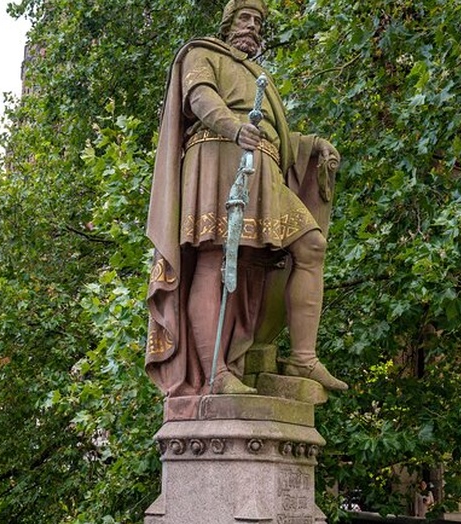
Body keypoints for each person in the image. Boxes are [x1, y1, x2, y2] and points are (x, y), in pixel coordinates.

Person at [145, 0, 347, 396]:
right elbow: (201, 99)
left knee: (311, 246)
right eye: (245, 18)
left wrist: (312, 145)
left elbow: (275, 136)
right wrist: (234, 128)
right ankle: (216, 373)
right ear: (227, 23)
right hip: (218, 156)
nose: (252, 26)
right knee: (214, 257)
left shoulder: (258, 76)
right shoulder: (202, 53)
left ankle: (303, 358)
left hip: (265, 169)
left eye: (258, 21)